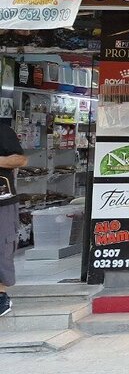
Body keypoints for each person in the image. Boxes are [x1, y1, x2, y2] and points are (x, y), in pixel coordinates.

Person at [0, 119, 26, 317]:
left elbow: (20, 160)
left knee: (2, 246)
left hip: (2, 201)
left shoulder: (3, 131)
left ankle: (1, 294)